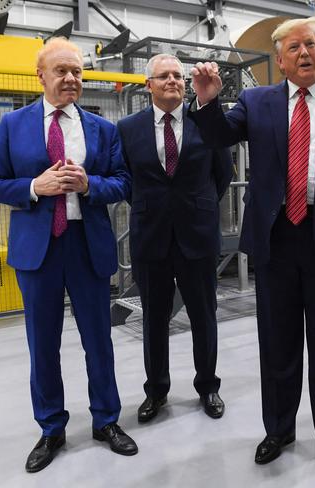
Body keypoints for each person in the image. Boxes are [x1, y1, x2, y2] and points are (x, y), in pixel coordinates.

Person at [188, 17, 315, 469]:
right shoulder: (257, 102)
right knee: (277, 341)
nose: (305, 53)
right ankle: (278, 428)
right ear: (279, 60)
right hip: (276, 238)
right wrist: (207, 100)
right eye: (294, 47)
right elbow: (218, 135)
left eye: (311, 44)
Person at [0, 37, 137, 473]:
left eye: (77, 71)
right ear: (41, 75)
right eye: (62, 71)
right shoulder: (13, 125)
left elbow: (123, 183)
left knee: (98, 339)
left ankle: (106, 420)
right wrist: (36, 187)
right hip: (38, 249)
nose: (71, 78)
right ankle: (51, 427)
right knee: (43, 342)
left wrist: (90, 186)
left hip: (86, 244)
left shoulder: (102, 129)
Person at [117, 54, 233, 423]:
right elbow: (126, 180)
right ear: (148, 84)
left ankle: (208, 386)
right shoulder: (128, 128)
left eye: (178, 76)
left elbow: (223, 174)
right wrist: (155, 207)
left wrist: (196, 208)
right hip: (151, 237)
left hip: (197, 236)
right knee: (154, 317)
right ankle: (157, 391)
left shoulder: (206, 123)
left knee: (204, 315)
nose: (172, 81)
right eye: (163, 76)